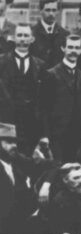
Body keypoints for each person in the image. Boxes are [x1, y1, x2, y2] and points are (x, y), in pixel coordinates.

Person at [39, 34, 81, 160]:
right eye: (70, 47)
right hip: (57, 134)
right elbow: (43, 108)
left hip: (79, 134)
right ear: (63, 48)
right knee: (58, 170)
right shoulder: (51, 74)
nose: (73, 51)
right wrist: (44, 135)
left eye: (77, 48)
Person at [0, 123, 55, 234]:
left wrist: (46, 186)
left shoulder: (18, 160)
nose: (14, 146)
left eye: (15, 142)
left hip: (20, 223)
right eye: (9, 142)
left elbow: (53, 166)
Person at [0, 23, 45, 153]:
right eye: (19, 35)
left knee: (28, 160)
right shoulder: (2, 62)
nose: (23, 39)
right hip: (7, 122)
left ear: (32, 39)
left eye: (26, 35)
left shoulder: (40, 65)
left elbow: (43, 99)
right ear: (13, 38)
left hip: (31, 124)